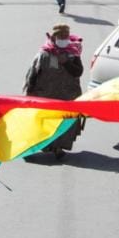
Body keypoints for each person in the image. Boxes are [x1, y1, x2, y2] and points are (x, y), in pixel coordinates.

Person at [23, 23, 85, 157]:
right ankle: (32, 147)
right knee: (42, 123)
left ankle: (57, 148)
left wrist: (66, 62)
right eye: (60, 36)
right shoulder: (44, 53)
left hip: (66, 96)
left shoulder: (73, 53)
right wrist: (30, 92)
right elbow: (33, 73)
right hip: (45, 96)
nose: (63, 38)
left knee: (62, 124)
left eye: (65, 36)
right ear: (54, 37)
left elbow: (78, 72)